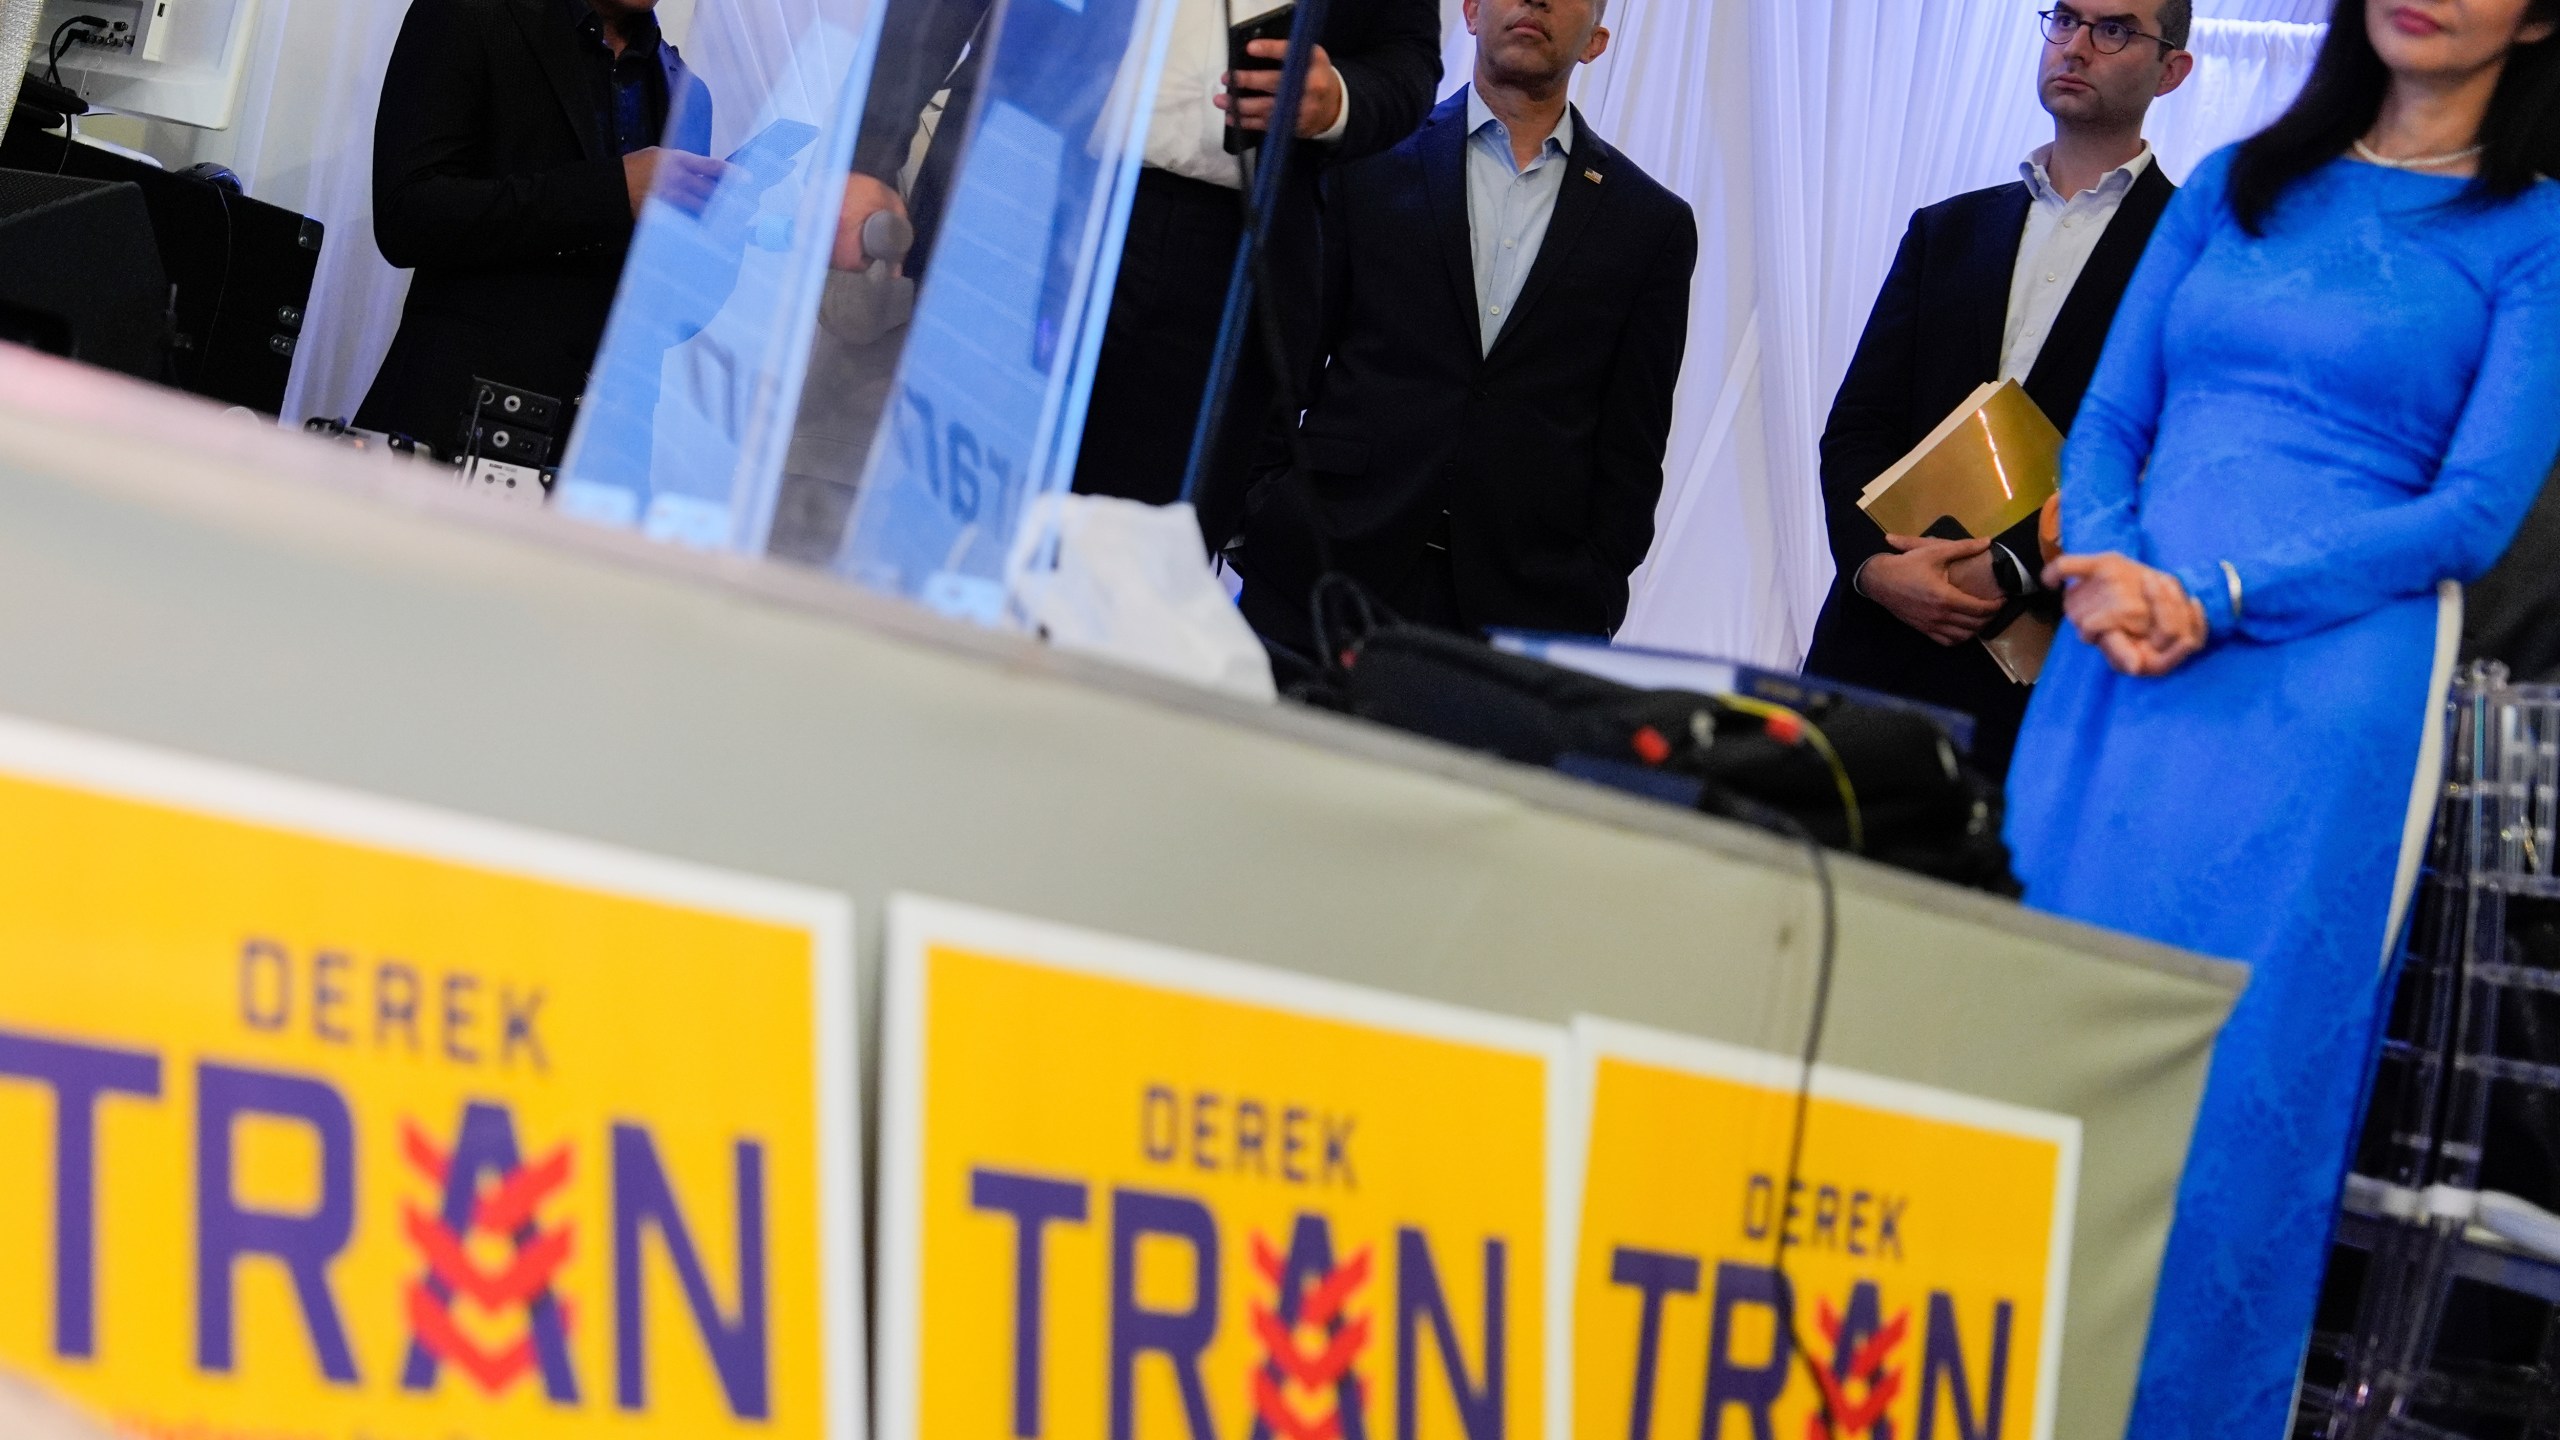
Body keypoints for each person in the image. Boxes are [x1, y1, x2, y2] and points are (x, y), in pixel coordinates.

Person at [2001, 0, 2560, 1429]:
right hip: (2116, 662)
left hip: (2322, 703)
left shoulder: (2534, 230)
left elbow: (2474, 511)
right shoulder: (2243, 175)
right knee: (2027, 1044)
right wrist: (2108, 569)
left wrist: (2223, 594)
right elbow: (2112, 419)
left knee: (2230, 1108)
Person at [828, 0, 1443, 539]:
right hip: (1021, 195)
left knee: (1139, 578)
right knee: (942, 523)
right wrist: (866, 156)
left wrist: (1337, 96)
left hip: (1227, 260)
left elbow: (1407, 59)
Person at [1800, 0, 2195, 779]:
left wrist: (2008, 567)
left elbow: (2167, 465)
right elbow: (1856, 431)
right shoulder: (1944, 230)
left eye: (2113, 29)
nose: (2076, 46)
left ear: (2171, 69)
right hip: (1872, 649)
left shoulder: (2195, 256)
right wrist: (1874, 569)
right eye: (2065, 19)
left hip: (2048, 678)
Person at [1229, 0, 1697, 653]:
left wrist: (1591, 592)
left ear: (1596, 42)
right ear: (1471, 12)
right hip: (1322, 572)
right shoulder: (1368, 154)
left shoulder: (1650, 225)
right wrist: (1262, 515)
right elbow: (1285, 356)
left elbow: (1632, 448)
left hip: (1517, 613)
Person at [356, 0, 720, 454]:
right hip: (455, 431)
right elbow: (407, 215)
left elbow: (667, 317)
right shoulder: (469, 13)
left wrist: (719, 248)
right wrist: (610, 191)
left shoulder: (689, 93)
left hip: (604, 462)